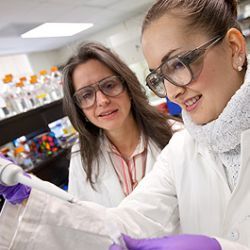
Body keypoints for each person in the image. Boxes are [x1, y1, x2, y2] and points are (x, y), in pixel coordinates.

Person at [0, 0, 250, 249]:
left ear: (234, 47)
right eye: (161, 75)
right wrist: (35, 198)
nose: (172, 92)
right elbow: (127, 221)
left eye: (178, 63)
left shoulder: (173, 137)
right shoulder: (181, 151)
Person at [63, 42, 173, 207]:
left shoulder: (176, 136)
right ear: (79, 109)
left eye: (109, 85)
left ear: (128, 88)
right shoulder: (81, 156)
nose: (102, 100)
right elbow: (80, 218)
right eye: (86, 95)